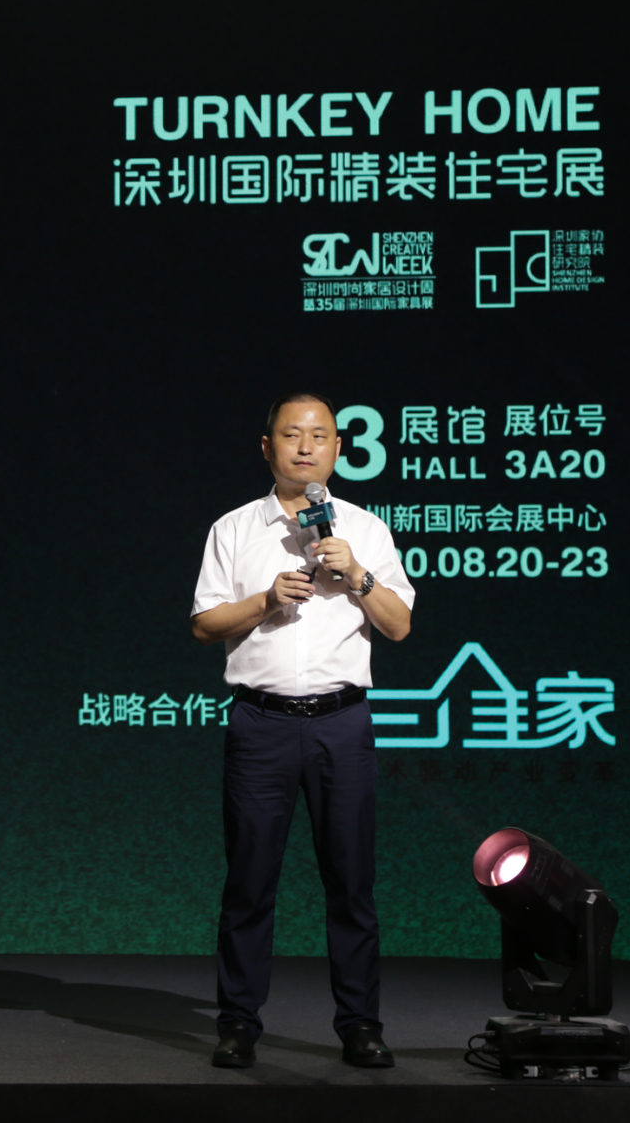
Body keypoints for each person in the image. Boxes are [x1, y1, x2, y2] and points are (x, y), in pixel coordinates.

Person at [189, 392, 416, 1070]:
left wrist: (358, 575)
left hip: (342, 724)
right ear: (268, 448)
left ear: (340, 449)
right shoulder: (234, 528)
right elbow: (204, 624)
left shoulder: (365, 529)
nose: (306, 446)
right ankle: (238, 1022)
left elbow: (399, 625)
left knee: (351, 882)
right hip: (261, 724)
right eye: (292, 434)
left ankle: (360, 1024)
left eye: (320, 435)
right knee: (249, 881)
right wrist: (265, 601)